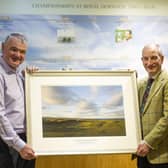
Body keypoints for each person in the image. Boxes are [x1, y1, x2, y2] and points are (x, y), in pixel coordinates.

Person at [0, 33, 36, 168]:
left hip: (26, 139)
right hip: (8, 142)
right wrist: (19, 145)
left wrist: (30, 78)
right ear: (2, 47)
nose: (18, 55)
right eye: (13, 49)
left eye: (22, 52)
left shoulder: (18, 73)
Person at [136, 43, 168, 168]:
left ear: (162, 59)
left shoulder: (167, 80)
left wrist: (148, 143)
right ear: (142, 60)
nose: (149, 62)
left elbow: (167, 118)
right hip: (141, 153)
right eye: (146, 58)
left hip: (161, 156)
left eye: (154, 57)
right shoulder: (141, 84)